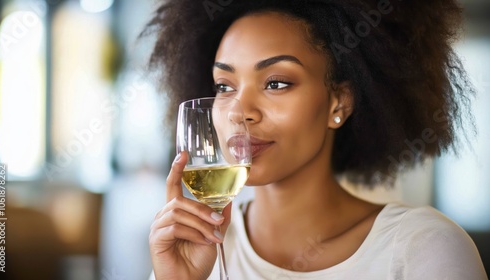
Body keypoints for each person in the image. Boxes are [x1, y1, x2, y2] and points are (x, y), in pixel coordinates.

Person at [145, 0, 488, 279]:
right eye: (225, 86)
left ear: (339, 102)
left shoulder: (424, 250)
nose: (240, 112)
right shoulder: (193, 252)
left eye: (276, 83)